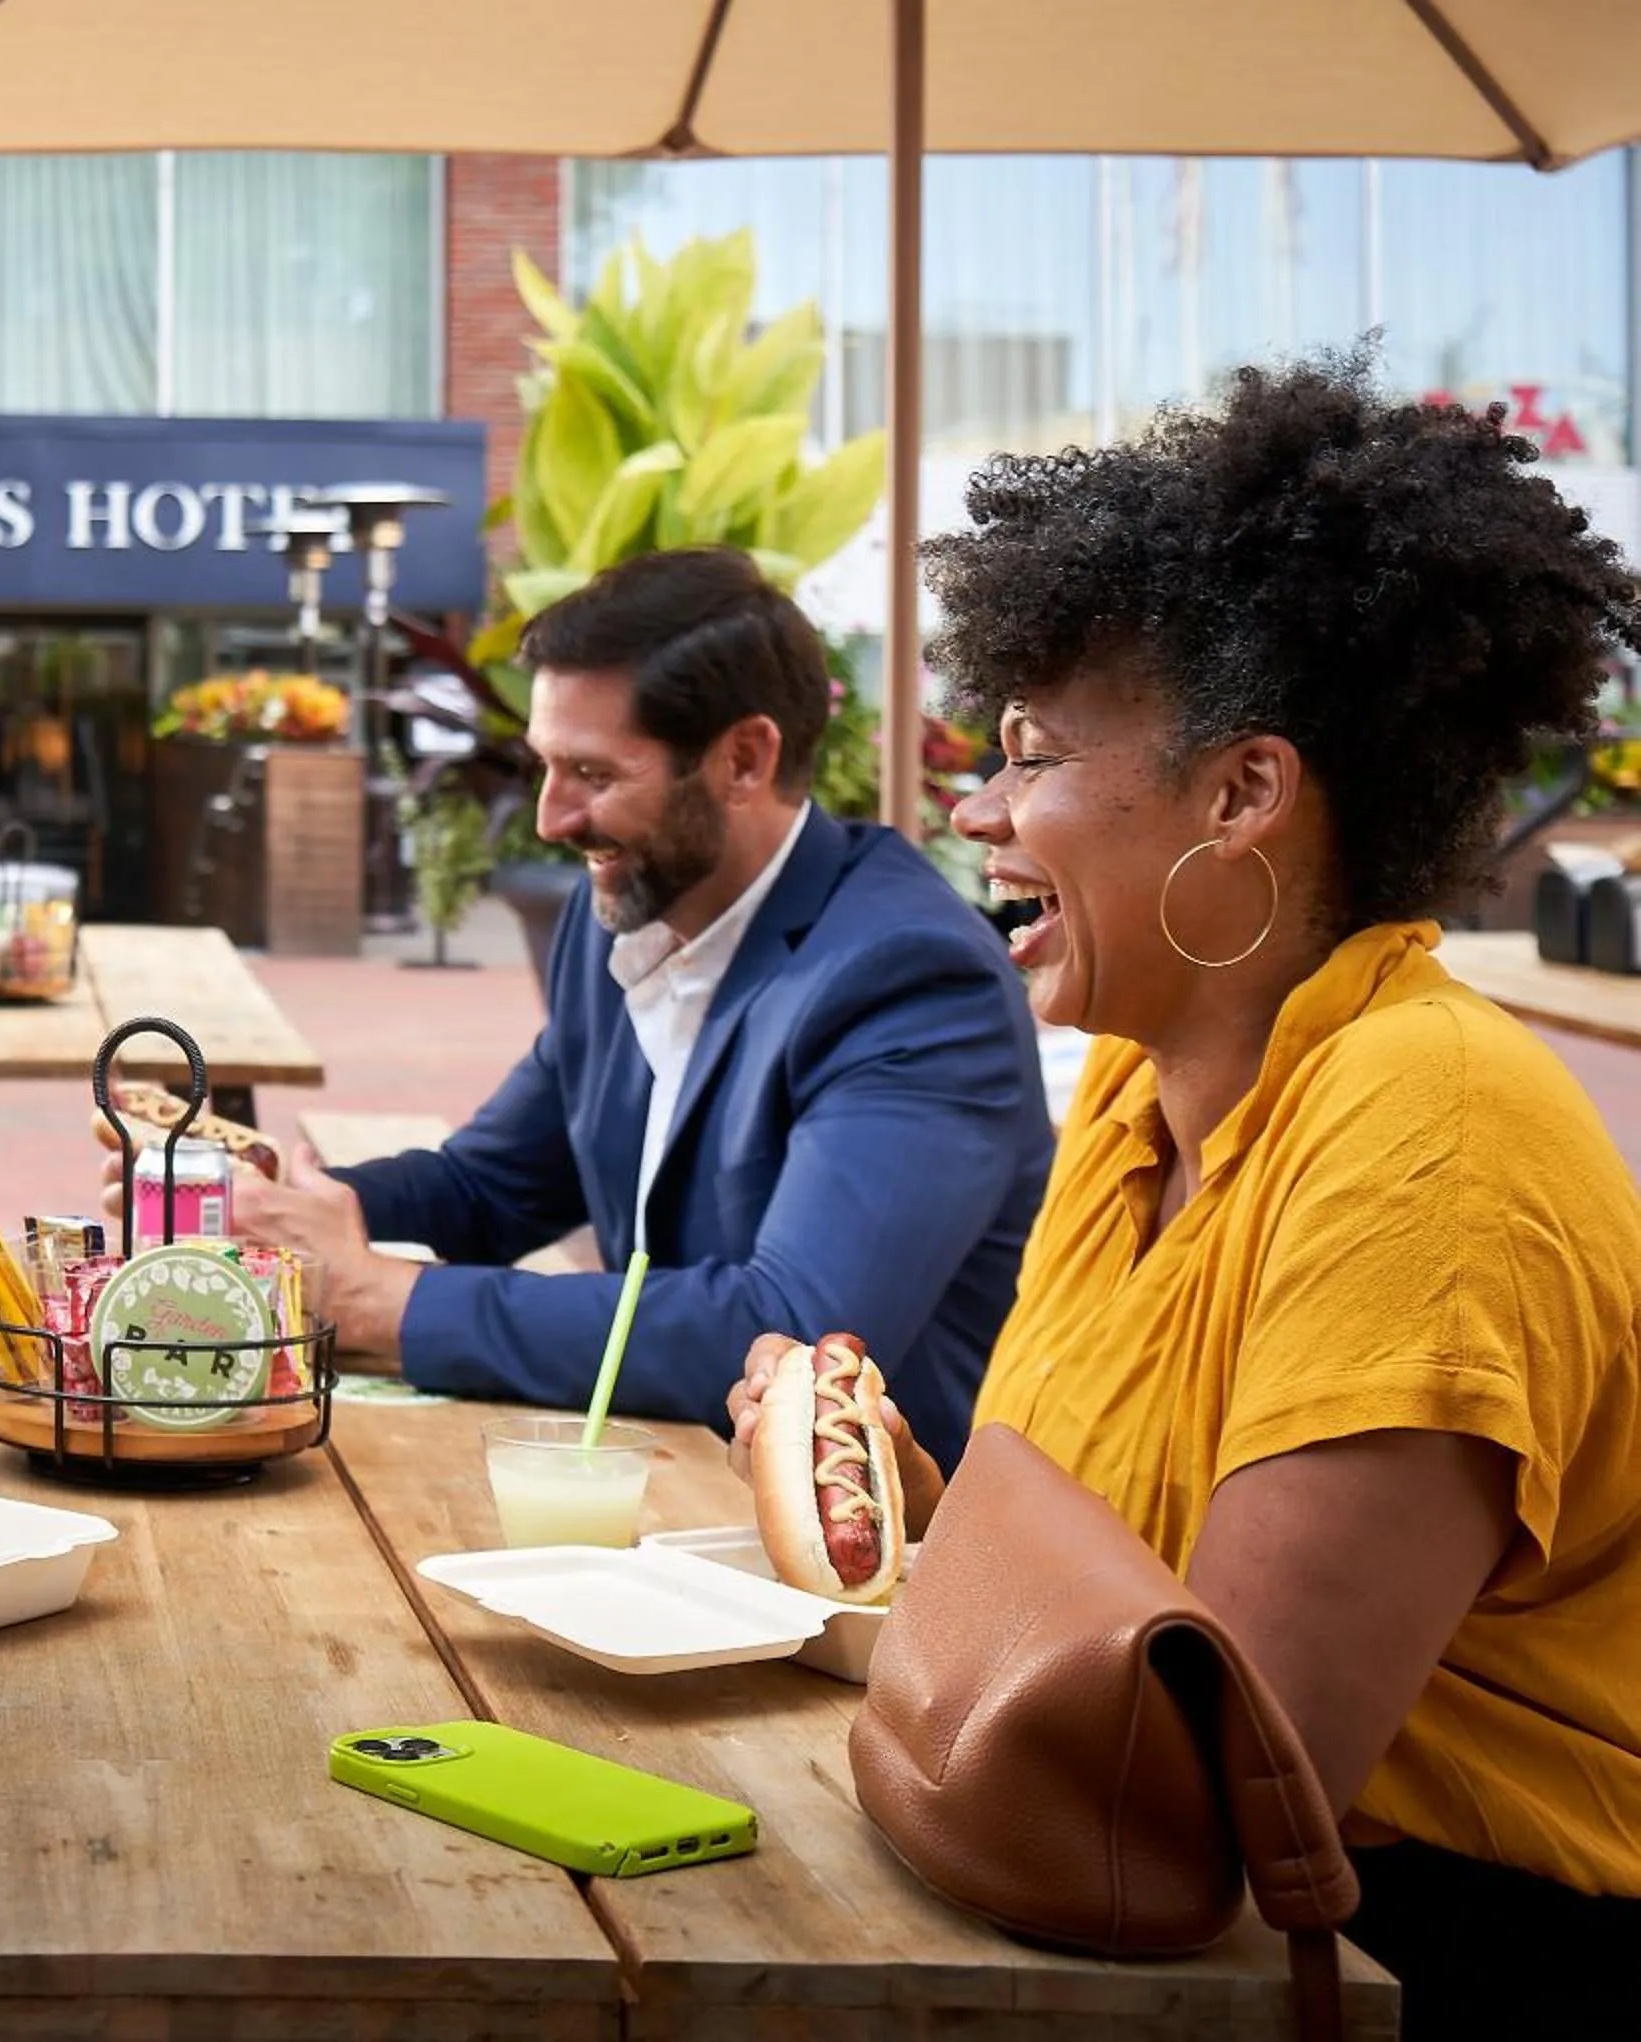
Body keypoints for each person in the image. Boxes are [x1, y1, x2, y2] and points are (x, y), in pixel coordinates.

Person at [733, 358, 1641, 2033]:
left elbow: (1223, 1781)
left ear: (1246, 794)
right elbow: (1118, 1605)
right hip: (1112, 1911)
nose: (979, 808)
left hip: (1417, 1954)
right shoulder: (1145, 1092)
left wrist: (946, 1608)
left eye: (1032, 756)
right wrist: (908, 1510)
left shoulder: (1426, 1127)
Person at [234, 548, 1048, 1466]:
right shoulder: (628, 907)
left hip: (864, 1564)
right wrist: (268, 1207)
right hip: (662, 1493)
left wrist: (387, 1301)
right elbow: (494, 1186)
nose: (551, 818)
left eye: (592, 773)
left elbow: (793, 1333)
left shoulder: (911, 975)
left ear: (744, 759)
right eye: (544, 766)